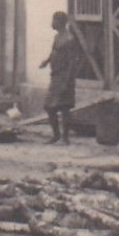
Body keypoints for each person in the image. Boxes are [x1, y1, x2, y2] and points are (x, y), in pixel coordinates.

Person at [39, 10, 80, 145]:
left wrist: (67, 82)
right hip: (55, 76)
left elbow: (72, 62)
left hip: (64, 77)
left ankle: (65, 137)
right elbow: (54, 51)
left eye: (54, 20)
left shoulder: (69, 39)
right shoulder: (57, 37)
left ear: (60, 22)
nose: (52, 23)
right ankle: (56, 135)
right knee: (49, 106)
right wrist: (47, 61)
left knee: (64, 107)